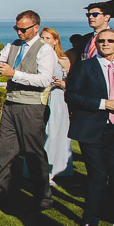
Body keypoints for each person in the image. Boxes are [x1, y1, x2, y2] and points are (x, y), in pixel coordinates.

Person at [0, 10, 55, 211]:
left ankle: (42, 197)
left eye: (23, 29)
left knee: (33, 152)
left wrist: (14, 74)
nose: (19, 33)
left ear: (35, 27)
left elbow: (44, 80)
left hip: (32, 106)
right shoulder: (12, 46)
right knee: (4, 152)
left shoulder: (45, 50)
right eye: (16, 28)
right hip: (11, 105)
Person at [65, 27, 114, 226]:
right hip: (92, 129)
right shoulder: (85, 67)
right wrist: (105, 104)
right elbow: (72, 97)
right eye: (102, 41)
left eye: (110, 41)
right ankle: (90, 220)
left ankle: (111, 214)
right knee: (98, 175)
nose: (105, 43)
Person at [40, 28, 73, 185]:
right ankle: (44, 171)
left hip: (59, 98)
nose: (44, 40)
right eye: (42, 37)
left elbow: (71, 83)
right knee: (46, 133)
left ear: (55, 40)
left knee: (60, 133)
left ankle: (60, 169)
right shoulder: (38, 57)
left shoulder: (64, 59)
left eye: (48, 38)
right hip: (44, 97)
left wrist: (61, 84)